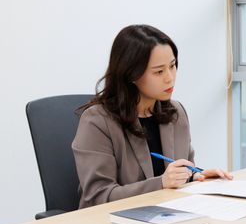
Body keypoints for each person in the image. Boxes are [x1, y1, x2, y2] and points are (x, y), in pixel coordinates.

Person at [72, 25, 232, 208]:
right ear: (131, 74)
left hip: (168, 218)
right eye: (158, 71)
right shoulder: (97, 121)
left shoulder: (175, 113)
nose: (170, 78)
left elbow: (180, 172)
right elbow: (98, 197)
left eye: (172, 66)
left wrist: (196, 176)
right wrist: (161, 183)